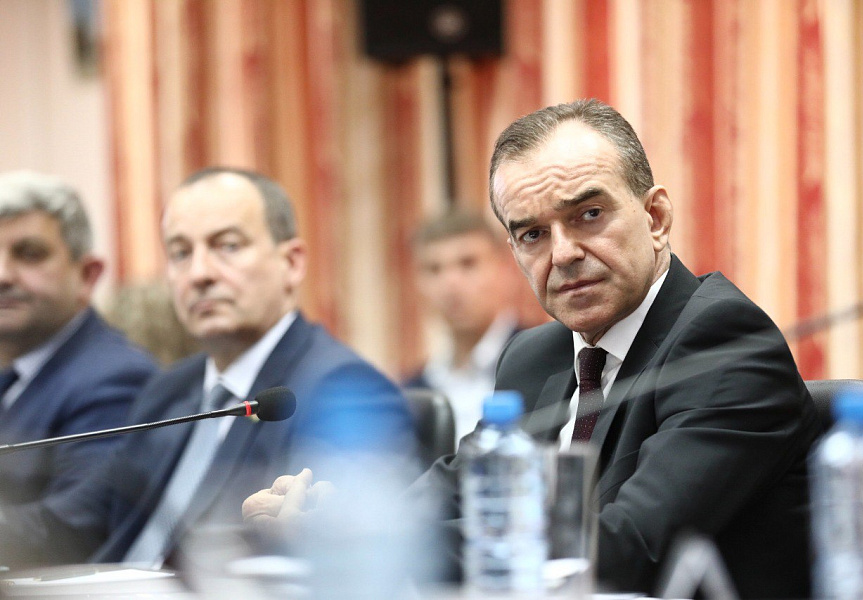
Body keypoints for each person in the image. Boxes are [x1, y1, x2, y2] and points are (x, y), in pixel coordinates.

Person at [244, 100, 823, 599]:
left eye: (588, 215)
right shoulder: (536, 355)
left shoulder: (725, 340)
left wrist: (380, 544)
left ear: (655, 217)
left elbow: (626, 547)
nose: (563, 253)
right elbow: (457, 488)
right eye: (533, 234)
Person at [0, 167, 413, 568]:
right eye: (180, 253)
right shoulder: (169, 389)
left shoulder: (345, 392)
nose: (199, 274)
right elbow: (76, 521)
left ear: (292, 263)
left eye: (228, 246)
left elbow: (339, 556)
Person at [0, 171, 156, 524]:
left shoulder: (115, 379)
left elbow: (75, 525)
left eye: (29, 254)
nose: (3, 275)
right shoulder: (12, 372)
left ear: (87, 276)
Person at [404, 210, 520, 446]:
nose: (450, 284)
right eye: (434, 269)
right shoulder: (413, 392)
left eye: (468, 263)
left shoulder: (549, 364)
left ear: (505, 269)